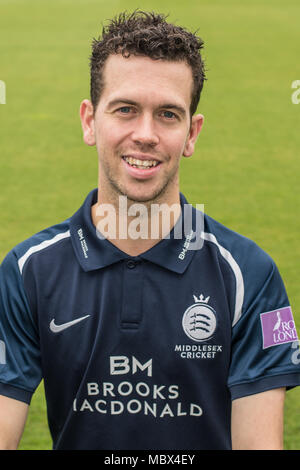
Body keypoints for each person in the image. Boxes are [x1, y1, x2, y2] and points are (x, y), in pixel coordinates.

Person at [0, 10, 299, 451]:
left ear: (192, 133)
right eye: (125, 110)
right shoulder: (26, 271)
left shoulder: (251, 274)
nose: (146, 134)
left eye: (167, 115)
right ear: (89, 121)